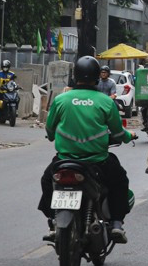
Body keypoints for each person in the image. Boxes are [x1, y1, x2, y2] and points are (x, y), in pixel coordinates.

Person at [39, 56, 135, 244]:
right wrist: (128, 136)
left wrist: (52, 137)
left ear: (75, 77)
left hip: (64, 160)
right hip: (97, 162)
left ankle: (52, 221)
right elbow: (117, 131)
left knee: (46, 180)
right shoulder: (106, 102)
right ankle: (116, 224)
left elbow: (50, 129)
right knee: (120, 181)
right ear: (97, 78)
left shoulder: (61, 100)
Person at [0, 59, 17, 124]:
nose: (5, 68)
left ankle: (14, 111)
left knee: (16, 98)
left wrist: (16, 86)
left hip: (9, 91)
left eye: (6, 67)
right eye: (4, 67)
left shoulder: (12, 74)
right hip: (1, 91)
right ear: (2, 67)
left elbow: (13, 82)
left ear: (9, 67)